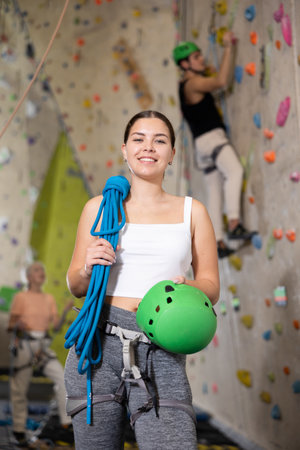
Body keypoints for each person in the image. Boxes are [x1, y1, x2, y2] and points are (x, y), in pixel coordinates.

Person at [64, 110, 220, 450]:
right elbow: (76, 286)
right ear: (124, 149)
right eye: (139, 139)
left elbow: (211, 286)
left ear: (172, 155)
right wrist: (88, 268)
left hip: (161, 348)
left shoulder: (193, 211)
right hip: (98, 348)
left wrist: (188, 289)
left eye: (159, 140)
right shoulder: (100, 208)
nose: (148, 147)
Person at [173, 34, 257, 258]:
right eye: (196, 57)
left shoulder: (185, 85)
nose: (201, 59)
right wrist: (229, 47)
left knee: (214, 191)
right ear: (185, 64)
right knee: (235, 171)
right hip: (212, 139)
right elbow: (220, 82)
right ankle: (234, 223)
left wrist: (205, 67)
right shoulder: (193, 83)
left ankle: (217, 242)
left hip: (202, 146)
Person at [7, 261, 74, 447]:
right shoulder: (21, 297)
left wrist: (66, 311)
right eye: (37, 270)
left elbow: (57, 327)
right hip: (26, 344)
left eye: (42, 270)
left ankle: (65, 422)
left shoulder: (48, 299)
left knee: (62, 378)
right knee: (19, 388)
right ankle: (19, 429)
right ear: (28, 276)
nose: (41, 272)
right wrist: (18, 325)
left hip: (43, 346)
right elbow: (11, 325)